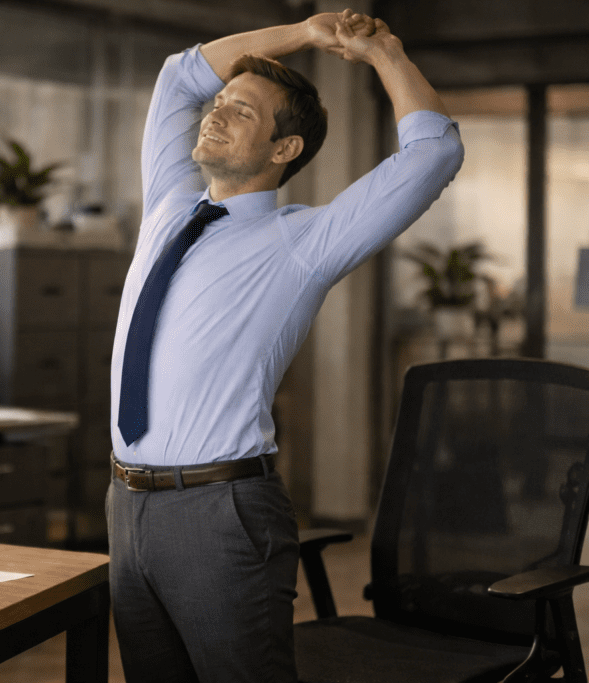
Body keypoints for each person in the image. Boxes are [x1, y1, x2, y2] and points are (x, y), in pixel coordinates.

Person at [107, 9, 463, 683]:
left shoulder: (304, 241)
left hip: (220, 512)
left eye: (241, 112)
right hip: (126, 504)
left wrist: (382, 51)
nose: (215, 113)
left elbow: (434, 152)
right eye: (222, 103)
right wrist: (303, 32)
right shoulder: (168, 204)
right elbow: (178, 78)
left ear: (284, 150)